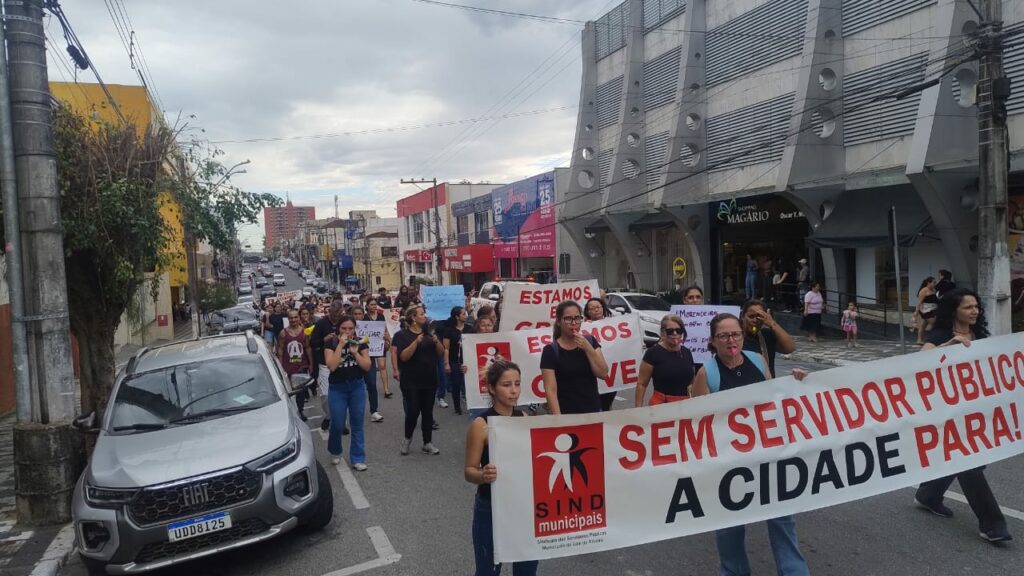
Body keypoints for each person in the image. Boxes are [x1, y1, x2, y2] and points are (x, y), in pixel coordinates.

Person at [691, 313, 811, 576]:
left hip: (768, 458)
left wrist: (796, 383)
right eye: (723, 336)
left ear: (743, 336)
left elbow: (775, 399)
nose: (730, 340)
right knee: (730, 527)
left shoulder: (758, 360)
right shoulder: (707, 373)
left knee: (782, 519)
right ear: (712, 341)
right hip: (729, 465)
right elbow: (699, 424)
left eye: (735, 334)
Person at [914, 288, 1012, 543]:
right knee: (968, 462)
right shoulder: (940, 335)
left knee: (972, 457)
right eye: (968, 307)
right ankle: (992, 524)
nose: (974, 311)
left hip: (976, 410)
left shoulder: (981, 335)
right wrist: (947, 347)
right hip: (946, 412)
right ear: (953, 310)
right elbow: (920, 362)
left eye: (976, 306)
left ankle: (929, 494)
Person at [464, 359, 538, 576]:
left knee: (526, 570)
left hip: (522, 507)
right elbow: (469, 470)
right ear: (491, 388)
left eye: (517, 383)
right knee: (488, 571)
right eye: (506, 385)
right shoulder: (481, 425)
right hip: (490, 507)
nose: (514, 391)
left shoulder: (524, 418)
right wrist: (483, 475)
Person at [540, 301, 609, 415]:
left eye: (577, 318)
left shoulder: (590, 341)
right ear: (559, 322)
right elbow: (550, 390)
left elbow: (603, 373)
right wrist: (558, 419)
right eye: (568, 319)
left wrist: (588, 348)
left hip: (593, 412)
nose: (573, 323)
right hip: (567, 415)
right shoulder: (550, 351)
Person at [393, 306, 445, 455]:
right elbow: (403, 357)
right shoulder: (402, 335)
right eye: (422, 314)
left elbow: (441, 353)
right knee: (413, 411)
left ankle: (427, 442)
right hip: (411, 380)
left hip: (429, 379)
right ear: (413, 318)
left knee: (428, 412)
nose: (425, 316)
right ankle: (407, 439)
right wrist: (416, 342)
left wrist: (436, 341)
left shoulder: (431, 332)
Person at [324, 315, 371, 471]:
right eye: (344, 328)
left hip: (357, 386)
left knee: (357, 423)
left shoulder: (360, 342)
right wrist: (340, 345)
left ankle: (358, 458)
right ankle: (335, 450)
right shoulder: (331, 342)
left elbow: (367, 366)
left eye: (350, 328)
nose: (347, 332)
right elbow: (331, 366)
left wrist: (355, 353)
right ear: (338, 328)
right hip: (337, 388)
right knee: (337, 423)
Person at [635, 315, 694, 406]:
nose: (675, 333)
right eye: (670, 331)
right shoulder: (653, 353)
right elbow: (642, 384)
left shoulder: (687, 352)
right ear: (663, 333)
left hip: (684, 405)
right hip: (661, 405)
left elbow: (692, 382)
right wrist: (638, 408)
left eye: (678, 330)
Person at [310, 301, 345, 432]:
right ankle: (329, 416)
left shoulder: (344, 322)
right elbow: (313, 342)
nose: (336, 318)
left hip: (342, 362)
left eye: (338, 315)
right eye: (333, 315)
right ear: (329, 312)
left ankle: (341, 422)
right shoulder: (321, 324)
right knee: (325, 394)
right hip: (324, 363)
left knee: (342, 393)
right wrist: (324, 340)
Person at [742, 299, 796, 378]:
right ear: (742, 316)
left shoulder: (766, 335)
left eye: (759, 317)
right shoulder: (735, 337)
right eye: (751, 316)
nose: (755, 320)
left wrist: (772, 323)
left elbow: (790, 348)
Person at [584, 297, 618, 412]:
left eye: (598, 307)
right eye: (592, 308)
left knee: (606, 404)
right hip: (593, 373)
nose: (596, 310)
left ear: (603, 308)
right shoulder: (583, 327)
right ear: (588, 312)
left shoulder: (615, 324)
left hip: (612, 373)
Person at [278, 308, 313, 419]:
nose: (293, 320)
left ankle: (300, 410)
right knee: (290, 391)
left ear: (299, 317)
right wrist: (280, 368)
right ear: (288, 319)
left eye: (295, 317)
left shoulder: (304, 332)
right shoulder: (283, 333)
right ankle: (292, 413)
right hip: (288, 367)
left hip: (301, 366)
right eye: (291, 318)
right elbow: (280, 350)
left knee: (301, 391)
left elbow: (308, 348)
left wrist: (311, 364)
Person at [443, 306, 470, 415]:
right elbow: (446, 348)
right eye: (463, 314)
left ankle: (471, 405)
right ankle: (457, 407)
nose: (466, 315)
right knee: (456, 384)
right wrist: (446, 364)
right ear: (457, 317)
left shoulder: (470, 328)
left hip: (468, 361)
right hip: (454, 361)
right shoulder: (449, 330)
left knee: (469, 384)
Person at [365, 298, 392, 402]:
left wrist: (388, 341)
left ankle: (386, 389)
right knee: (370, 368)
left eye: (375, 304)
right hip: (369, 345)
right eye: (372, 304)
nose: (374, 306)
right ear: (367, 306)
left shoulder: (381, 316)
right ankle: (371, 388)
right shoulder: (364, 317)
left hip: (380, 344)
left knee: (382, 366)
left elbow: (385, 329)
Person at [914, 277, 938, 345]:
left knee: (923, 325)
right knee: (935, 323)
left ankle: (919, 340)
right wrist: (916, 313)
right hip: (926, 310)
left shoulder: (934, 290)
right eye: (933, 282)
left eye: (935, 282)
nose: (935, 284)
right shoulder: (923, 290)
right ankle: (933, 339)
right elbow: (919, 302)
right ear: (928, 283)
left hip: (934, 309)